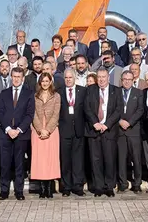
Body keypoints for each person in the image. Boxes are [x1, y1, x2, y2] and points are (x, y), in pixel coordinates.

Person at [84, 67, 123, 197]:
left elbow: (118, 110)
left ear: (108, 78)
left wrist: (107, 124)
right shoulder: (90, 90)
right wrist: (95, 123)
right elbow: (87, 108)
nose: (101, 80)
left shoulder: (116, 90)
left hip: (109, 130)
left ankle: (109, 186)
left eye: (103, 77)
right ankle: (98, 187)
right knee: (95, 160)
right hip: (94, 130)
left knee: (109, 160)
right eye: (99, 77)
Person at [0, 67, 35, 200]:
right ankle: (4, 191)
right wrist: (8, 129)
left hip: (21, 134)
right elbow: (0, 112)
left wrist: (19, 130)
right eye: (14, 76)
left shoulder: (29, 93)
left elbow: (29, 114)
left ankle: (19, 191)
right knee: (5, 164)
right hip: (6, 133)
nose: (16, 79)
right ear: (11, 77)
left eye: (19, 77)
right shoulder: (4, 93)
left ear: (23, 78)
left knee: (19, 163)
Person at [31, 72, 61, 199]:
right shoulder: (34, 96)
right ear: (40, 82)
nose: (45, 83)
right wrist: (40, 129)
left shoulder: (56, 96)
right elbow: (33, 114)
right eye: (42, 81)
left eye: (47, 81)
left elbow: (56, 114)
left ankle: (49, 189)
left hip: (51, 130)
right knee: (40, 159)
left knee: (50, 159)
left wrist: (47, 130)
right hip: (37, 129)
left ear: (50, 82)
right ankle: (42, 189)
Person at [58, 68, 86, 197]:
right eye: (66, 78)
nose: (68, 80)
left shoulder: (83, 91)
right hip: (64, 130)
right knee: (65, 160)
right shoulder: (59, 92)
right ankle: (66, 186)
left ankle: (78, 186)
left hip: (79, 130)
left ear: (75, 78)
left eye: (70, 77)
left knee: (78, 160)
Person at [116, 70, 144, 194]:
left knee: (136, 159)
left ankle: (137, 183)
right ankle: (123, 184)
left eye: (129, 79)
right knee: (121, 159)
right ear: (121, 80)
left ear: (133, 80)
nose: (127, 82)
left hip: (133, 130)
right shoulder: (116, 92)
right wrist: (119, 121)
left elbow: (140, 110)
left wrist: (130, 122)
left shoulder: (139, 93)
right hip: (120, 130)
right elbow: (112, 108)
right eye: (124, 79)